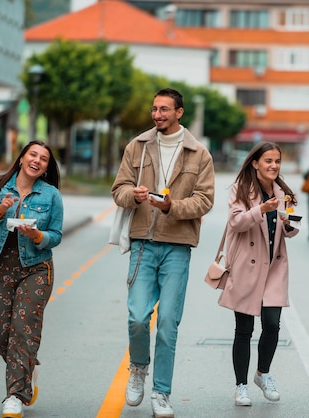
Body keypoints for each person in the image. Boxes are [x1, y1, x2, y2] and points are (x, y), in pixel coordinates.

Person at [111, 88, 215, 418]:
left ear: (179, 112)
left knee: (168, 323)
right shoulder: (137, 147)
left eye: (164, 109)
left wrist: (174, 206)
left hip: (177, 246)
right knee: (139, 317)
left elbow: (205, 200)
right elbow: (119, 189)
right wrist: (134, 195)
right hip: (142, 242)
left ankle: (162, 392)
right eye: (154, 108)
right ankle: (139, 369)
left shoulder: (199, 154)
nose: (157, 114)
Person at [0, 140, 63, 418]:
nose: (37, 160)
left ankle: (14, 395)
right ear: (22, 157)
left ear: (47, 167)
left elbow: (56, 235)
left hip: (36, 268)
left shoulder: (51, 196)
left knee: (23, 329)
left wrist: (37, 236)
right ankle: (28, 368)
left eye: (44, 158)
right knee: (1, 333)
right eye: (33, 154)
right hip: (1, 266)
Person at [216, 141, 299, 407]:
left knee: (272, 325)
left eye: (277, 161)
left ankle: (263, 374)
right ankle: (241, 385)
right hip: (247, 267)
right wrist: (261, 210)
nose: (274, 166)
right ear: (255, 163)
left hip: (274, 267)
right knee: (244, 329)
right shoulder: (242, 190)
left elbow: (292, 228)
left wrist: (288, 223)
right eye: (268, 161)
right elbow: (236, 223)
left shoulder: (283, 191)